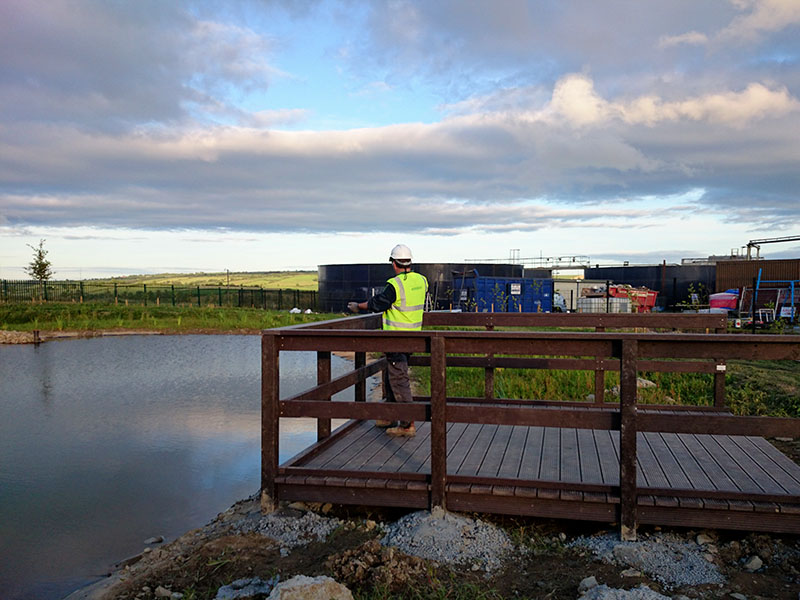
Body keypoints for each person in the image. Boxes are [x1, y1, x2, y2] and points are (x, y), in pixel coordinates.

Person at [348, 244, 428, 437]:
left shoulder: (395, 284)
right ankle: (391, 416)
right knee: (392, 376)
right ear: (410, 261)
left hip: (396, 338)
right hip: (413, 336)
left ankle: (408, 424)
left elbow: (379, 303)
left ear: (394, 263)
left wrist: (359, 306)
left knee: (399, 380)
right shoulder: (422, 280)